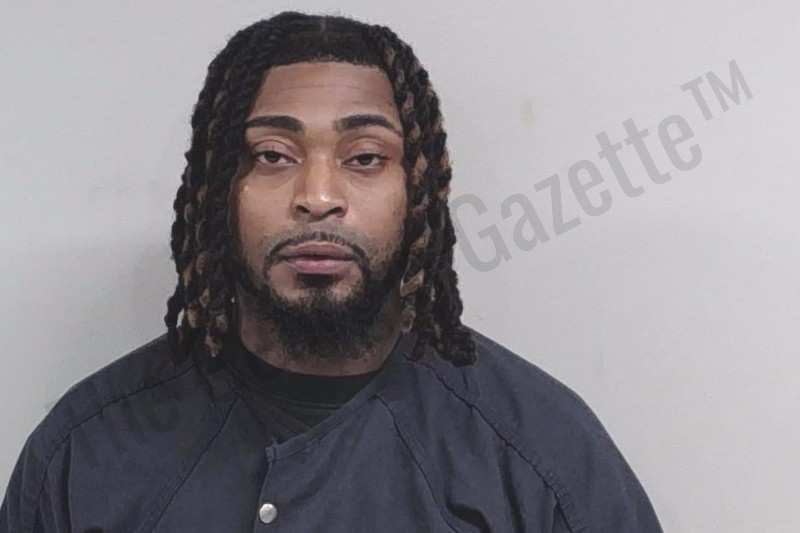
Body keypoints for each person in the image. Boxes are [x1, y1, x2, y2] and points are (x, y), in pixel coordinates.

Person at [1, 12, 663, 532]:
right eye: (272, 155)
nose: (318, 196)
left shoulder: (543, 453)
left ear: (419, 191)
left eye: (365, 157)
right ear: (217, 189)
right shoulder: (85, 452)